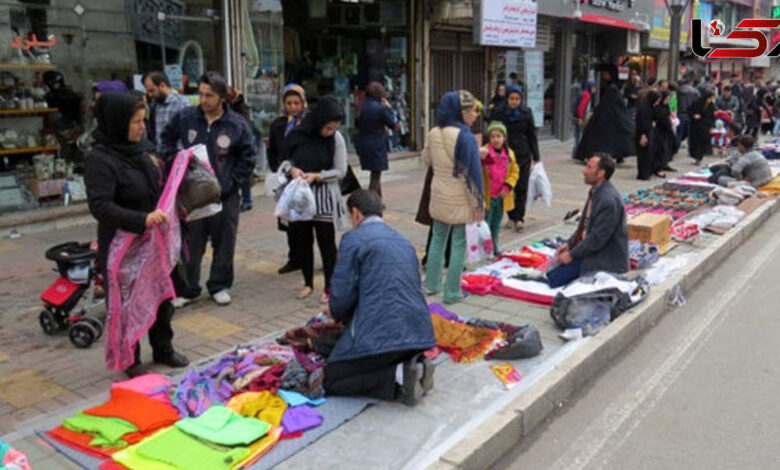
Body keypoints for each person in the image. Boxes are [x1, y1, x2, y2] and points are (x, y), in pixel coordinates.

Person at [84, 92, 189, 377]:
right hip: (124, 246)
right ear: (117, 123)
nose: (142, 127)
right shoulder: (99, 159)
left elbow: (158, 184)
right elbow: (101, 207)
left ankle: (164, 349)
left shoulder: (142, 149)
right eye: (135, 122)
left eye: (143, 120)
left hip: (153, 242)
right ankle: (130, 359)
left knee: (161, 298)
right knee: (127, 305)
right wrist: (142, 219)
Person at [324, 190, 436, 406]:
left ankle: (399, 376)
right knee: (379, 353)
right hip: (418, 332)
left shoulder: (353, 239)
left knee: (332, 377)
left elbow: (342, 295)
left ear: (356, 214)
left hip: (380, 332)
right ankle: (415, 365)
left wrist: (333, 312)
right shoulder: (402, 240)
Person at [160, 71, 256, 307]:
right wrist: (174, 160)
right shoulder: (186, 117)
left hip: (225, 195)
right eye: (200, 94)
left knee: (224, 242)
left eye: (209, 95)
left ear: (221, 97)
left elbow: (248, 157)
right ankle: (188, 288)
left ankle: (219, 285)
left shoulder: (236, 124)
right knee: (191, 244)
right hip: (192, 195)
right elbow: (166, 138)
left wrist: (230, 182)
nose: (203, 100)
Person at [283, 96, 348, 302]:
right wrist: (293, 170)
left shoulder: (336, 139)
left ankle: (330, 287)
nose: (330, 132)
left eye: (334, 129)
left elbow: (341, 170)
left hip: (324, 195)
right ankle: (308, 283)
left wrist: (318, 175)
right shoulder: (297, 134)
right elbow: (284, 161)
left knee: (326, 243)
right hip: (300, 195)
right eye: (327, 128)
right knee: (303, 241)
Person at [423, 90, 483, 304]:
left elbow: (426, 159)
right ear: (461, 112)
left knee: (437, 238)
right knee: (459, 243)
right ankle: (452, 292)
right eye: (472, 110)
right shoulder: (465, 136)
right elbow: (472, 176)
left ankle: (431, 285)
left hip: (439, 193)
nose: (475, 115)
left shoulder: (433, 132)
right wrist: (478, 204)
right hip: (460, 197)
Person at [548, 153, 628, 288]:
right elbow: (584, 225)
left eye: (589, 168)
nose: (584, 171)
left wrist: (571, 255)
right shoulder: (597, 191)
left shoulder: (607, 200)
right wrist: (570, 244)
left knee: (554, 279)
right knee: (552, 270)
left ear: (601, 173)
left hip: (604, 257)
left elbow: (597, 239)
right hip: (591, 249)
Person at [268, 84, 308, 275]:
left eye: (297, 103)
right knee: (288, 219)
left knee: (307, 219)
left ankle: (308, 257)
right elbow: (272, 150)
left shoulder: (309, 123)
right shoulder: (278, 125)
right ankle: (295, 258)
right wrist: (277, 170)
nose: (293, 107)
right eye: (289, 103)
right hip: (285, 177)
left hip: (305, 176)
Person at [491, 85, 539, 231]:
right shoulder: (499, 113)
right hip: (506, 155)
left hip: (523, 154)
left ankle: (519, 218)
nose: (514, 101)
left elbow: (532, 135)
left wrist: (536, 156)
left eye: (517, 99)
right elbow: (492, 133)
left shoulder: (526, 113)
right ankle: (511, 216)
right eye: (511, 98)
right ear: (507, 98)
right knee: (508, 186)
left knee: (522, 187)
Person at [575, 65, 635, 164]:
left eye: (605, 74)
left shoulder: (612, 89)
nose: (603, 75)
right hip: (607, 120)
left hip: (606, 120)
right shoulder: (612, 88)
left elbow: (610, 106)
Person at [480, 121, 519, 256]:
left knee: (496, 224)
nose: (496, 139)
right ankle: (485, 249)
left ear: (504, 138)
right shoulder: (484, 153)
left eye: (498, 136)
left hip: (501, 196)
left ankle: (495, 245)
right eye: (492, 137)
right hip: (488, 196)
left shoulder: (509, 154)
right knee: (486, 224)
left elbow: (514, 171)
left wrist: (508, 186)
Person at [354, 81, 396, 198]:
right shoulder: (380, 108)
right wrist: (389, 108)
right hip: (377, 144)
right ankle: (371, 200)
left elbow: (357, 124)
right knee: (376, 176)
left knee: (375, 174)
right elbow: (392, 123)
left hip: (363, 143)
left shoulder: (361, 106)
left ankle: (378, 200)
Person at [227, 86, 261, 212]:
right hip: (231, 142)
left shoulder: (242, 107)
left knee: (245, 174)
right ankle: (241, 199)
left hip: (241, 142)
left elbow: (244, 124)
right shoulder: (227, 106)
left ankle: (247, 200)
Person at [143, 71, 193, 152]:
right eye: (148, 91)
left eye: (152, 90)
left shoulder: (182, 104)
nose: (150, 95)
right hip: (160, 154)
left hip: (178, 154)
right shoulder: (154, 106)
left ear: (162, 85)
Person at [636, 90, 660, 180]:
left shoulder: (651, 107)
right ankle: (643, 174)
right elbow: (641, 122)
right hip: (643, 133)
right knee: (644, 155)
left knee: (649, 154)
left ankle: (647, 172)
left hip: (649, 132)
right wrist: (643, 135)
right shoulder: (644, 108)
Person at [688, 89, 716, 165]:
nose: (711, 100)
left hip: (705, 125)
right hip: (696, 125)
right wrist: (694, 115)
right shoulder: (697, 103)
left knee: (703, 142)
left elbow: (712, 116)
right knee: (695, 142)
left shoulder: (711, 105)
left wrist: (711, 126)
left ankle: (700, 157)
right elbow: (690, 111)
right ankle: (696, 156)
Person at [654, 91, 677, 174]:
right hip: (660, 131)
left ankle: (665, 164)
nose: (668, 101)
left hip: (667, 130)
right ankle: (659, 167)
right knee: (662, 149)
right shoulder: (658, 108)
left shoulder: (666, 107)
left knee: (669, 147)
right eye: (666, 99)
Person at [572, 81, 596, 158]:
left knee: (577, 136)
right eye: (594, 87)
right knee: (580, 136)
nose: (595, 89)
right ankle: (577, 152)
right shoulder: (586, 95)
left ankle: (576, 152)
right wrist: (580, 118)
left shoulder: (584, 94)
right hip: (581, 118)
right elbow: (581, 107)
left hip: (578, 117)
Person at [676, 79, 701, 152]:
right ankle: (691, 149)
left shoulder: (679, 91)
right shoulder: (695, 92)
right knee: (691, 133)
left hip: (680, 112)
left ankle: (676, 148)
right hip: (691, 114)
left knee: (679, 132)